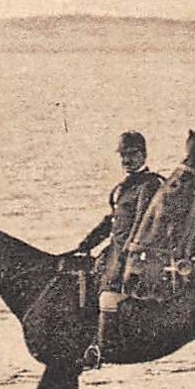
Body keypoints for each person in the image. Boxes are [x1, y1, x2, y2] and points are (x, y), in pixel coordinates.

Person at [72, 131, 163, 369]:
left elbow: (141, 224)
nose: (127, 160)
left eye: (132, 155)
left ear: (144, 155)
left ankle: (103, 348)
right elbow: (111, 221)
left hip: (134, 253)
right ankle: (86, 339)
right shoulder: (123, 187)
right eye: (123, 156)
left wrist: (126, 254)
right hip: (113, 250)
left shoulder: (150, 184)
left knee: (109, 295)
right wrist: (85, 245)